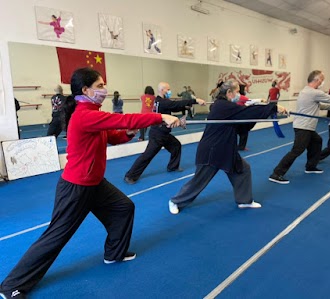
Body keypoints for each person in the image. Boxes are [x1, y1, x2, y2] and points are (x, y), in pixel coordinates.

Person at [0, 68, 179, 299]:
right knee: (56, 236)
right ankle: (11, 286)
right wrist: (161, 117)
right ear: (85, 90)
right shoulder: (85, 115)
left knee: (123, 208)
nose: (104, 90)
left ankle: (114, 253)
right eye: (100, 85)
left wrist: (129, 134)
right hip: (76, 187)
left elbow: (113, 135)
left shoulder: (93, 113)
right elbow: (123, 119)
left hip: (94, 183)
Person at [168, 79, 285, 214]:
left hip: (226, 148)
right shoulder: (222, 106)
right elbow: (246, 113)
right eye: (236, 92)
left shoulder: (225, 106)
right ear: (229, 92)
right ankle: (176, 201)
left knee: (243, 169)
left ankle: (244, 200)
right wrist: (273, 107)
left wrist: (261, 106)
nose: (238, 95)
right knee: (199, 180)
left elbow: (243, 117)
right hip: (213, 150)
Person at [268, 70, 330, 185]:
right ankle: (276, 174)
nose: (322, 82)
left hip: (307, 127)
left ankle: (311, 166)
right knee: (297, 150)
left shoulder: (307, 92)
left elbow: (320, 105)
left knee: (317, 141)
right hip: (304, 127)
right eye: (322, 80)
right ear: (317, 80)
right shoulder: (313, 92)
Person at [124, 82, 206, 184]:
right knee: (147, 155)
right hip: (158, 134)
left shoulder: (159, 101)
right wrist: (195, 100)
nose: (169, 91)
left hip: (163, 133)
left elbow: (173, 107)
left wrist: (185, 107)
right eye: (168, 89)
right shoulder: (162, 102)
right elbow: (174, 104)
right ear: (162, 90)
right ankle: (130, 176)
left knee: (176, 146)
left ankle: (173, 167)